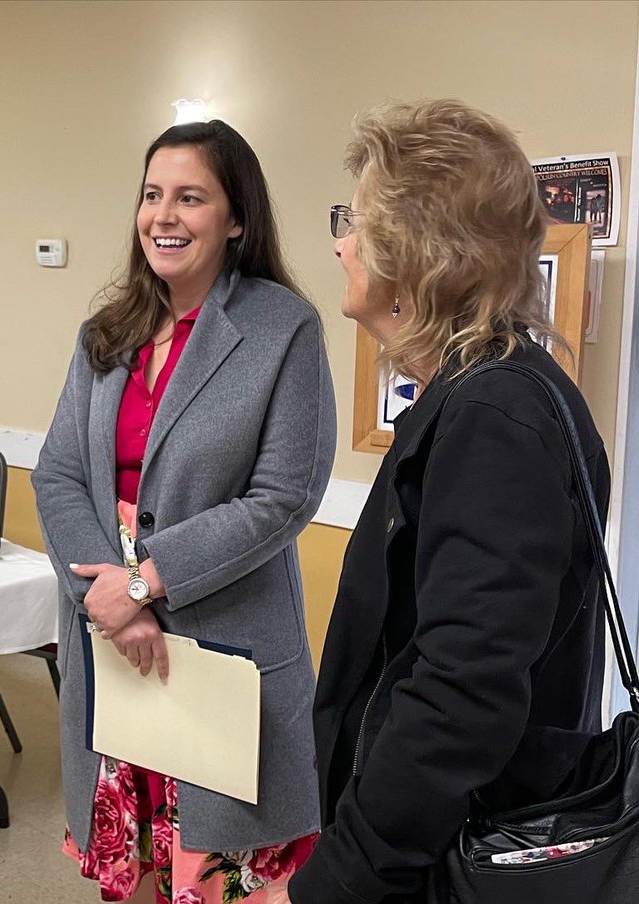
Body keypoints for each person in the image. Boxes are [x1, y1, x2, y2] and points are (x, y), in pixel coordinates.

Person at [257, 99, 610, 904]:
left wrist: (332, 883)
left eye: (359, 222)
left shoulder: (495, 414)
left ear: (414, 257)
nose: (342, 243)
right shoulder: (487, 393)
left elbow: (462, 694)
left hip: (445, 861)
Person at [32, 120, 336, 903]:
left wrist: (145, 584)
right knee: (136, 875)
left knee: (220, 878)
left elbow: (282, 498)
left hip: (219, 646)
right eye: (152, 195)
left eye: (190, 197)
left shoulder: (283, 329)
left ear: (235, 218)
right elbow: (60, 472)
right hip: (112, 646)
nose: (164, 215)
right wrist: (108, 603)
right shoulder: (106, 333)